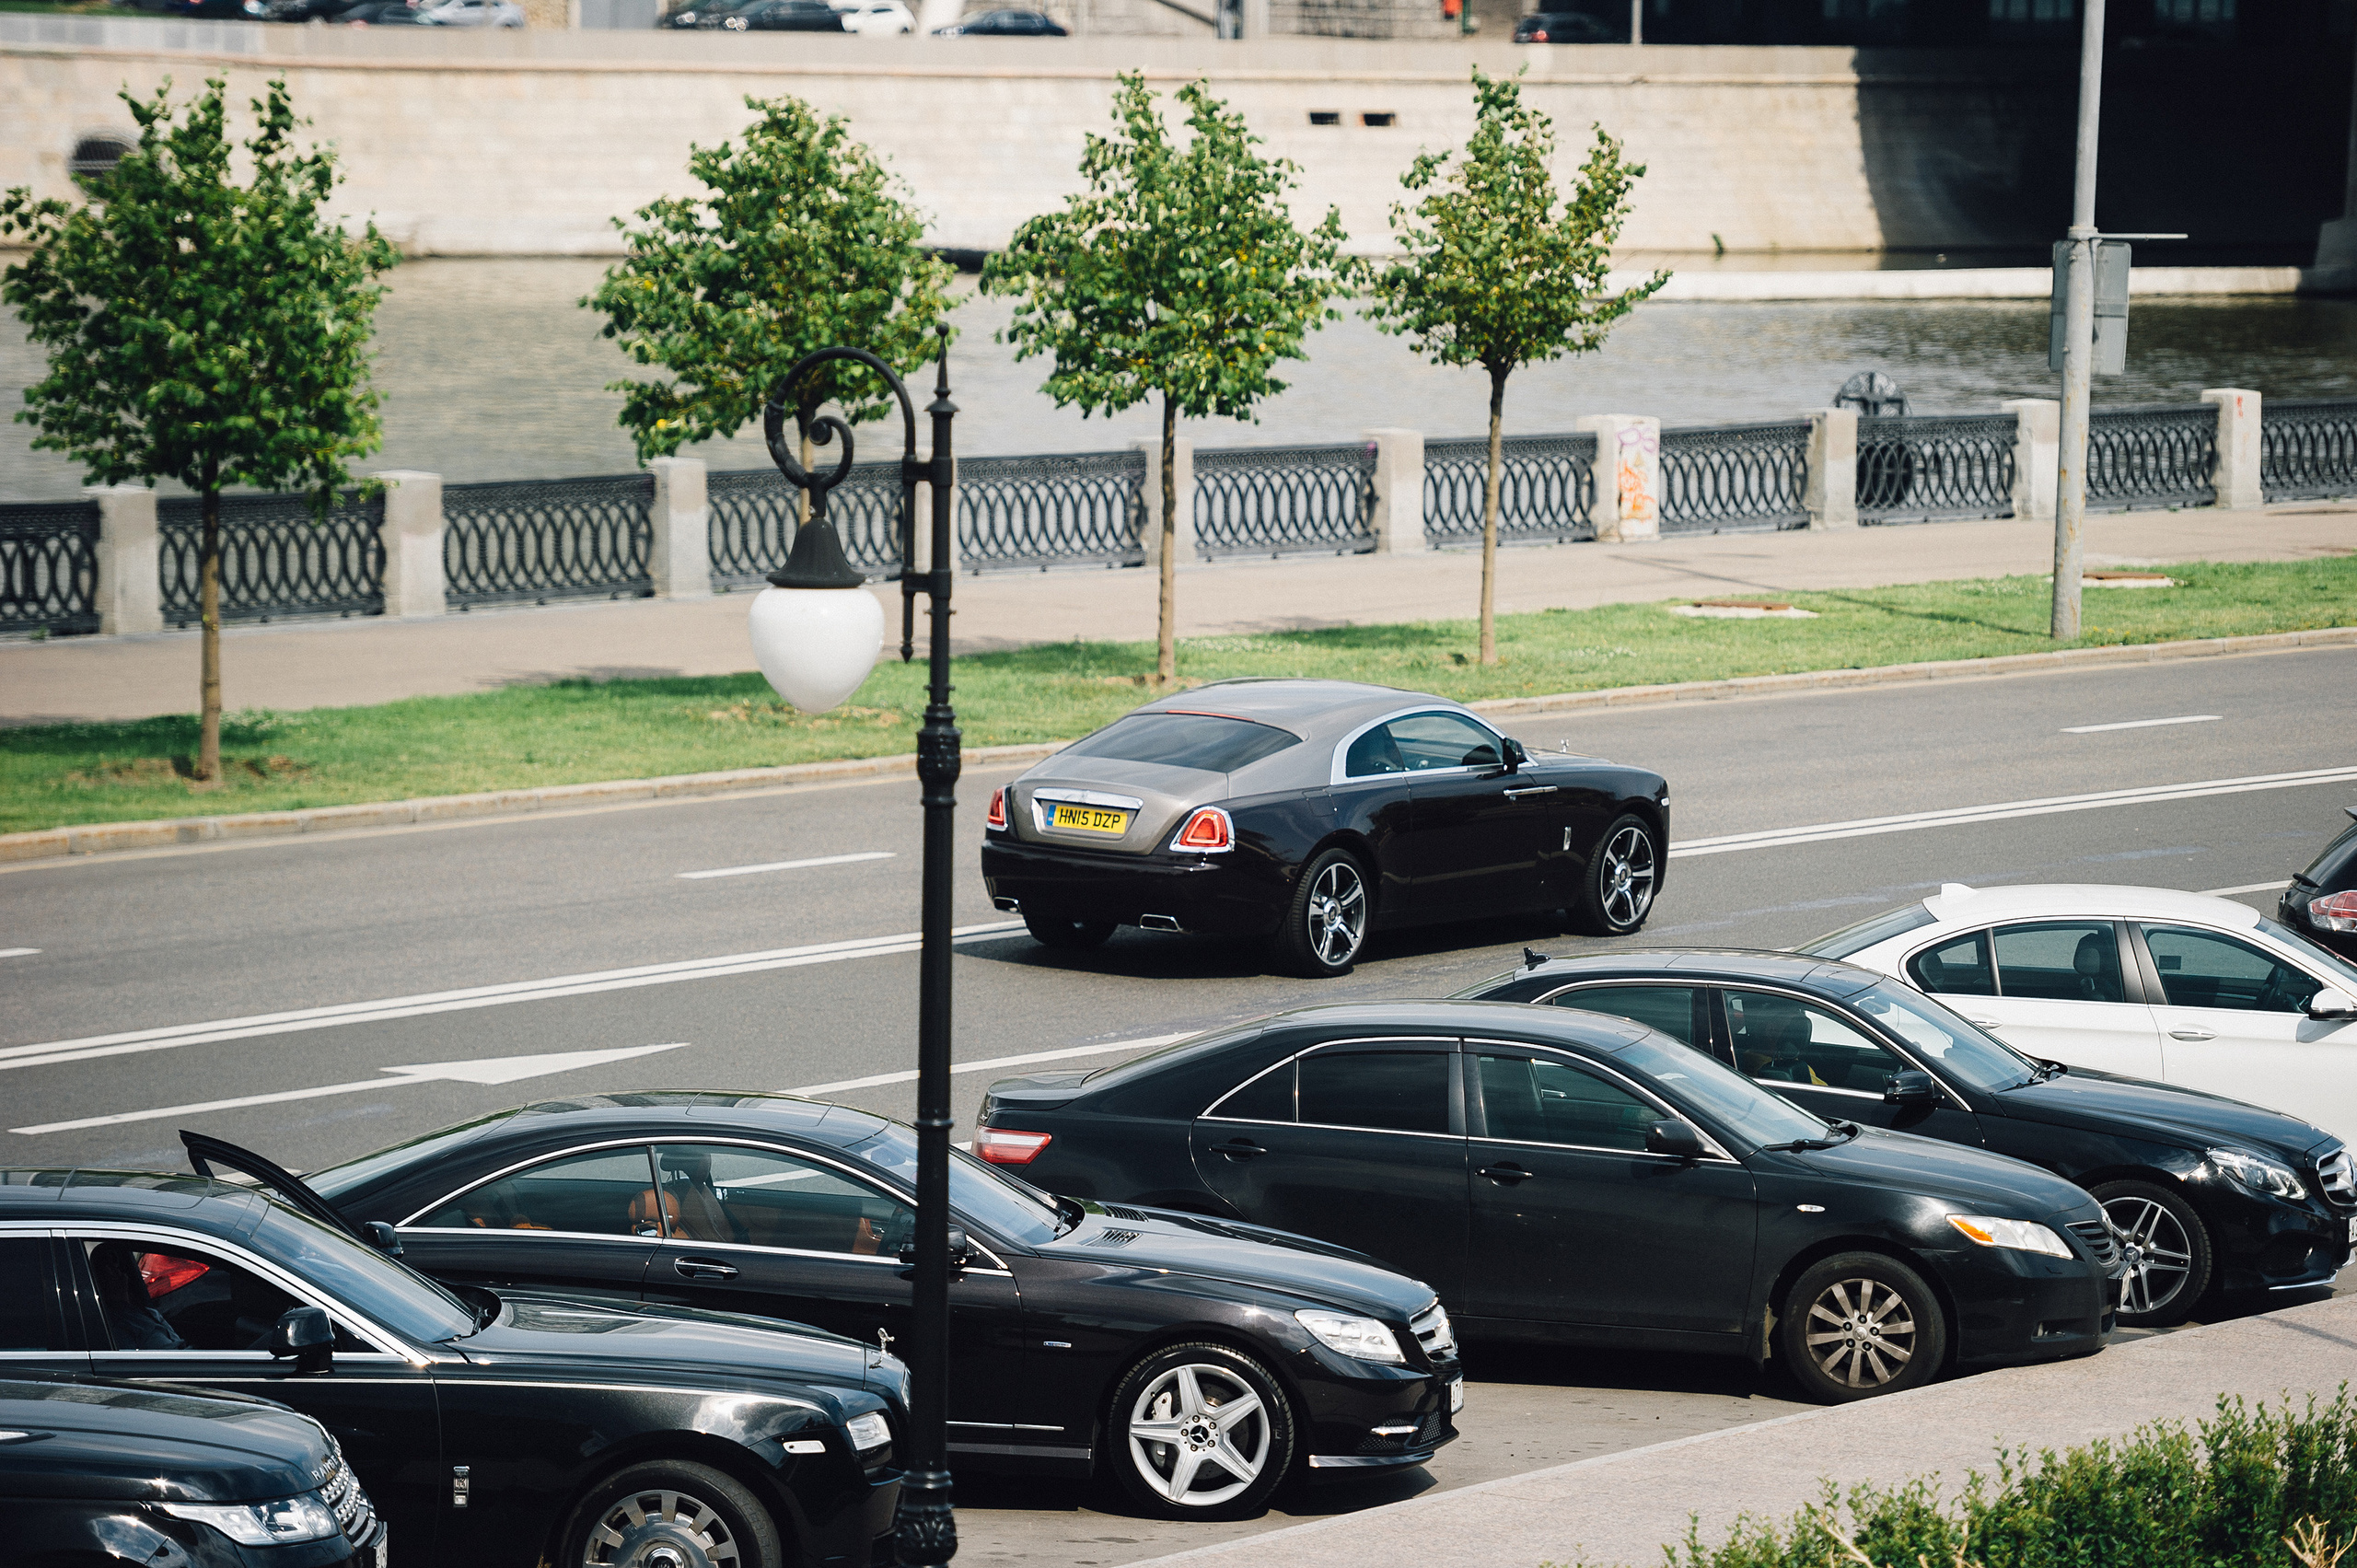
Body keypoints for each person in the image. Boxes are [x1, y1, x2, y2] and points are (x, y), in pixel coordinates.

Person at [87, 1242, 188, 1352]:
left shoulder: (146, 1311)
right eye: (108, 1269)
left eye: (115, 1265)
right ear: (99, 1281)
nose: (119, 1273)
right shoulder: (113, 1327)